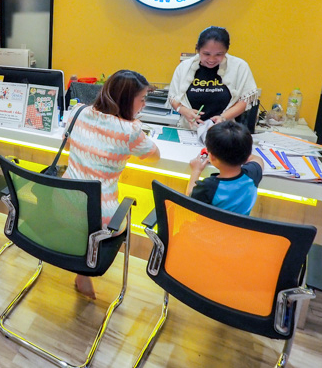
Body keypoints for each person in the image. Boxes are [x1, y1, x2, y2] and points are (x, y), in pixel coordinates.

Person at [62, 69, 161, 298]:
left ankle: (80, 267)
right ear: (127, 100)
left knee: (80, 217)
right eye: (142, 99)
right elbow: (154, 156)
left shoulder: (78, 111)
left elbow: (67, 146)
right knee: (114, 215)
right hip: (101, 219)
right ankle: (84, 268)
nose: (144, 104)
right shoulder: (131, 130)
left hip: (63, 202)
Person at [168, 26, 259, 129]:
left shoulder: (239, 67)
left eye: (219, 54)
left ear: (226, 50)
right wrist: (184, 111)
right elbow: (173, 97)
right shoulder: (184, 67)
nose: (211, 59)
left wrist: (223, 117)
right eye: (206, 54)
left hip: (224, 131)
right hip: (190, 129)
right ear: (198, 49)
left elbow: (245, 100)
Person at [186, 120, 264, 215]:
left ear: (211, 157)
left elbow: (190, 199)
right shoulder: (252, 175)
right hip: (239, 225)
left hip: (207, 225)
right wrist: (240, 151)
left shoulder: (208, 187)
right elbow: (258, 159)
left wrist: (196, 171)